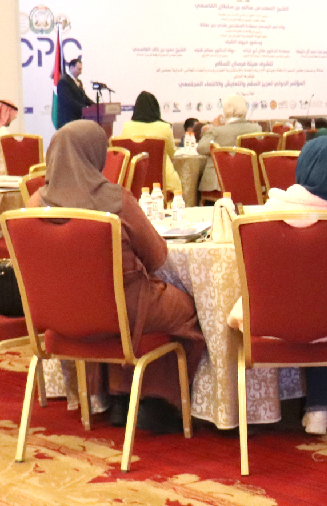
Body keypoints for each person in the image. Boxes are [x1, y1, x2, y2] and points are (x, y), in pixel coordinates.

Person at [30, 121, 204, 429]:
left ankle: (117, 397)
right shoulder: (116, 201)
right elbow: (157, 257)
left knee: (113, 308)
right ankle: (158, 401)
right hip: (121, 310)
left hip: (60, 315)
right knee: (188, 310)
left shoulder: (34, 205)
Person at [226, 136, 327, 435]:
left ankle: (268, 408)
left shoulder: (268, 214)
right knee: (324, 308)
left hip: (271, 324)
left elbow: (251, 270)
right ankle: (320, 407)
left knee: (300, 307)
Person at [120, 90, 183, 199]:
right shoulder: (165, 127)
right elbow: (171, 153)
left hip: (134, 180)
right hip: (164, 181)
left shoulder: (126, 128)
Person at [197, 94, 263, 195]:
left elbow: (201, 149)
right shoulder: (257, 129)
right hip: (250, 181)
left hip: (219, 184)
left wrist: (214, 128)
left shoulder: (217, 131)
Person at [55, 57, 94, 129]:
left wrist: (95, 106)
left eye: (81, 69)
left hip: (79, 119)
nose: (80, 72)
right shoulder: (64, 81)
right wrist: (84, 108)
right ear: (71, 68)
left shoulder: (79, 82)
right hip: (68, 120)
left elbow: (84, 98)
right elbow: (68, 100)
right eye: (79, 69)